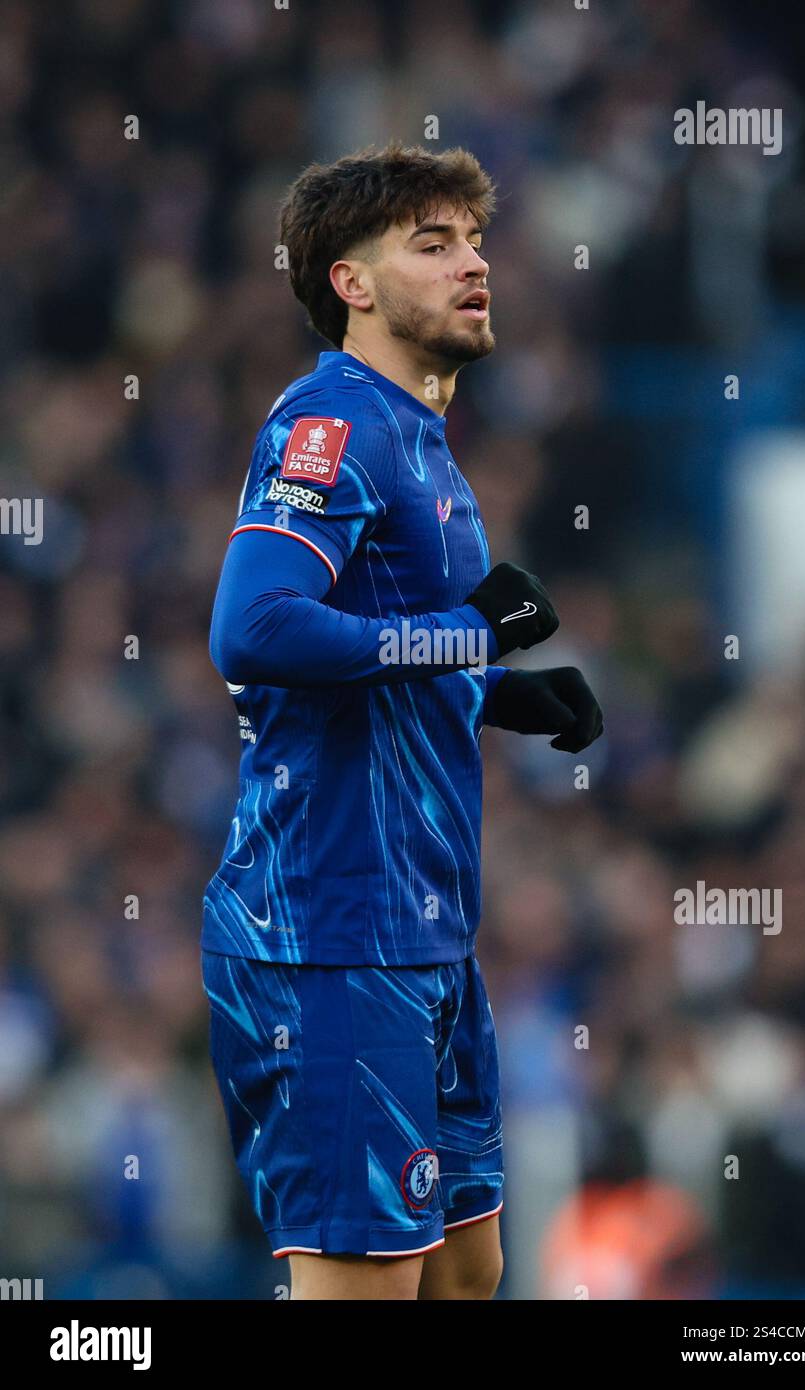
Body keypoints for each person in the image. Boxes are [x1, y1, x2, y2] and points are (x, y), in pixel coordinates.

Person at [202, 141, 604, 1300]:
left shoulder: (422, 438)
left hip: (424, 931)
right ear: (351, 283)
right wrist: (468, 638)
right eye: (432, 245)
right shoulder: (333, 421)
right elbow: (255, 628)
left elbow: (379, 641)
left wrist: (490, 692)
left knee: (469, 1273)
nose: (473, 264)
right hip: (329, 933)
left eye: (475, 241)